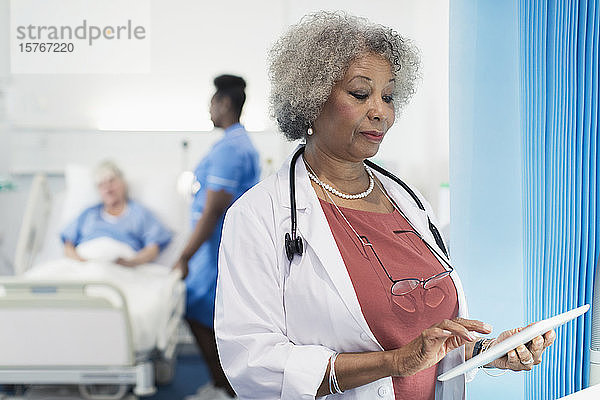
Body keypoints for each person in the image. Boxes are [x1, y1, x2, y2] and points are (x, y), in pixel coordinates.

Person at [215, 11, 555, 400]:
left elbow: (426, 339)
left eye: (388, 95)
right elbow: (252, 362)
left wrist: (483, 352)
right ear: (310, 98)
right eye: (361, 94)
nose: (381, 111)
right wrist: (394, 363)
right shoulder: (259, 216)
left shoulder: (409, 203)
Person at [174, 75, 260, 400]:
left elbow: (212, 211)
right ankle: (222, 386)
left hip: (216, 250)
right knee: (206, 315)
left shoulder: (230, 149)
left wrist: (184, 256)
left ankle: (226, 389)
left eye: (212, 102)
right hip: (216, 248)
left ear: (224, 104)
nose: (209, 109)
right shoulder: (234, 143)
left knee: (205, 315)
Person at [61, 161, 172, 266]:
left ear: (123, 183)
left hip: (122, 267)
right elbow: (68, 245)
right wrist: (81, 262)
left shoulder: (139, 213)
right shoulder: (88, 214)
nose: (108, 189)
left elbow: (153, 248)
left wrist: (132, 263)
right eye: (101, 185)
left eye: (111, 181)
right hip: (84, 265)